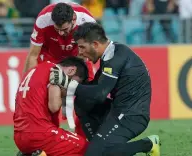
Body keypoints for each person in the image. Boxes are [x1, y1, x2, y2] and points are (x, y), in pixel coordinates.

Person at [49, 22, 161, 156]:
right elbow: (92, 88)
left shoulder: (116, 57)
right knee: (82, 101)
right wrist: (64, 94)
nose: (80, 52)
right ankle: (98, 143)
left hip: (132, 116)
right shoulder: (109, 55)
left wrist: (67, 83)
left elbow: (100, 94)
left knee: (95, 153)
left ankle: (148, 144)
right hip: (117, 110)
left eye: (82, 47)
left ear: (95, 44)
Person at [23, 1, 96, 138]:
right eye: (58, 30)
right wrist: (28, 84)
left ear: (73, 19)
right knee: (46, 100)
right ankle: (49, 137)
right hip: (50, 55)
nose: (62, 33)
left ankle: (83, 138)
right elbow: (33, 55)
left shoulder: (88, 21)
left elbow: (91, 54)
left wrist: (69, 93)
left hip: (77, 56)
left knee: (88, 97)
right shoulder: (44, 19)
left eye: (65, 29)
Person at [14, 57, 89, 156]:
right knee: (87, 148)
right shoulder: (56, 72)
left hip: (19, 136)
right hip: (40, 134)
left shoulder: (35, 69)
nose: (72, 89)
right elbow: (54, 107)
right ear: (71, 70)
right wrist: (62, 91)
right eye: (75, 83)